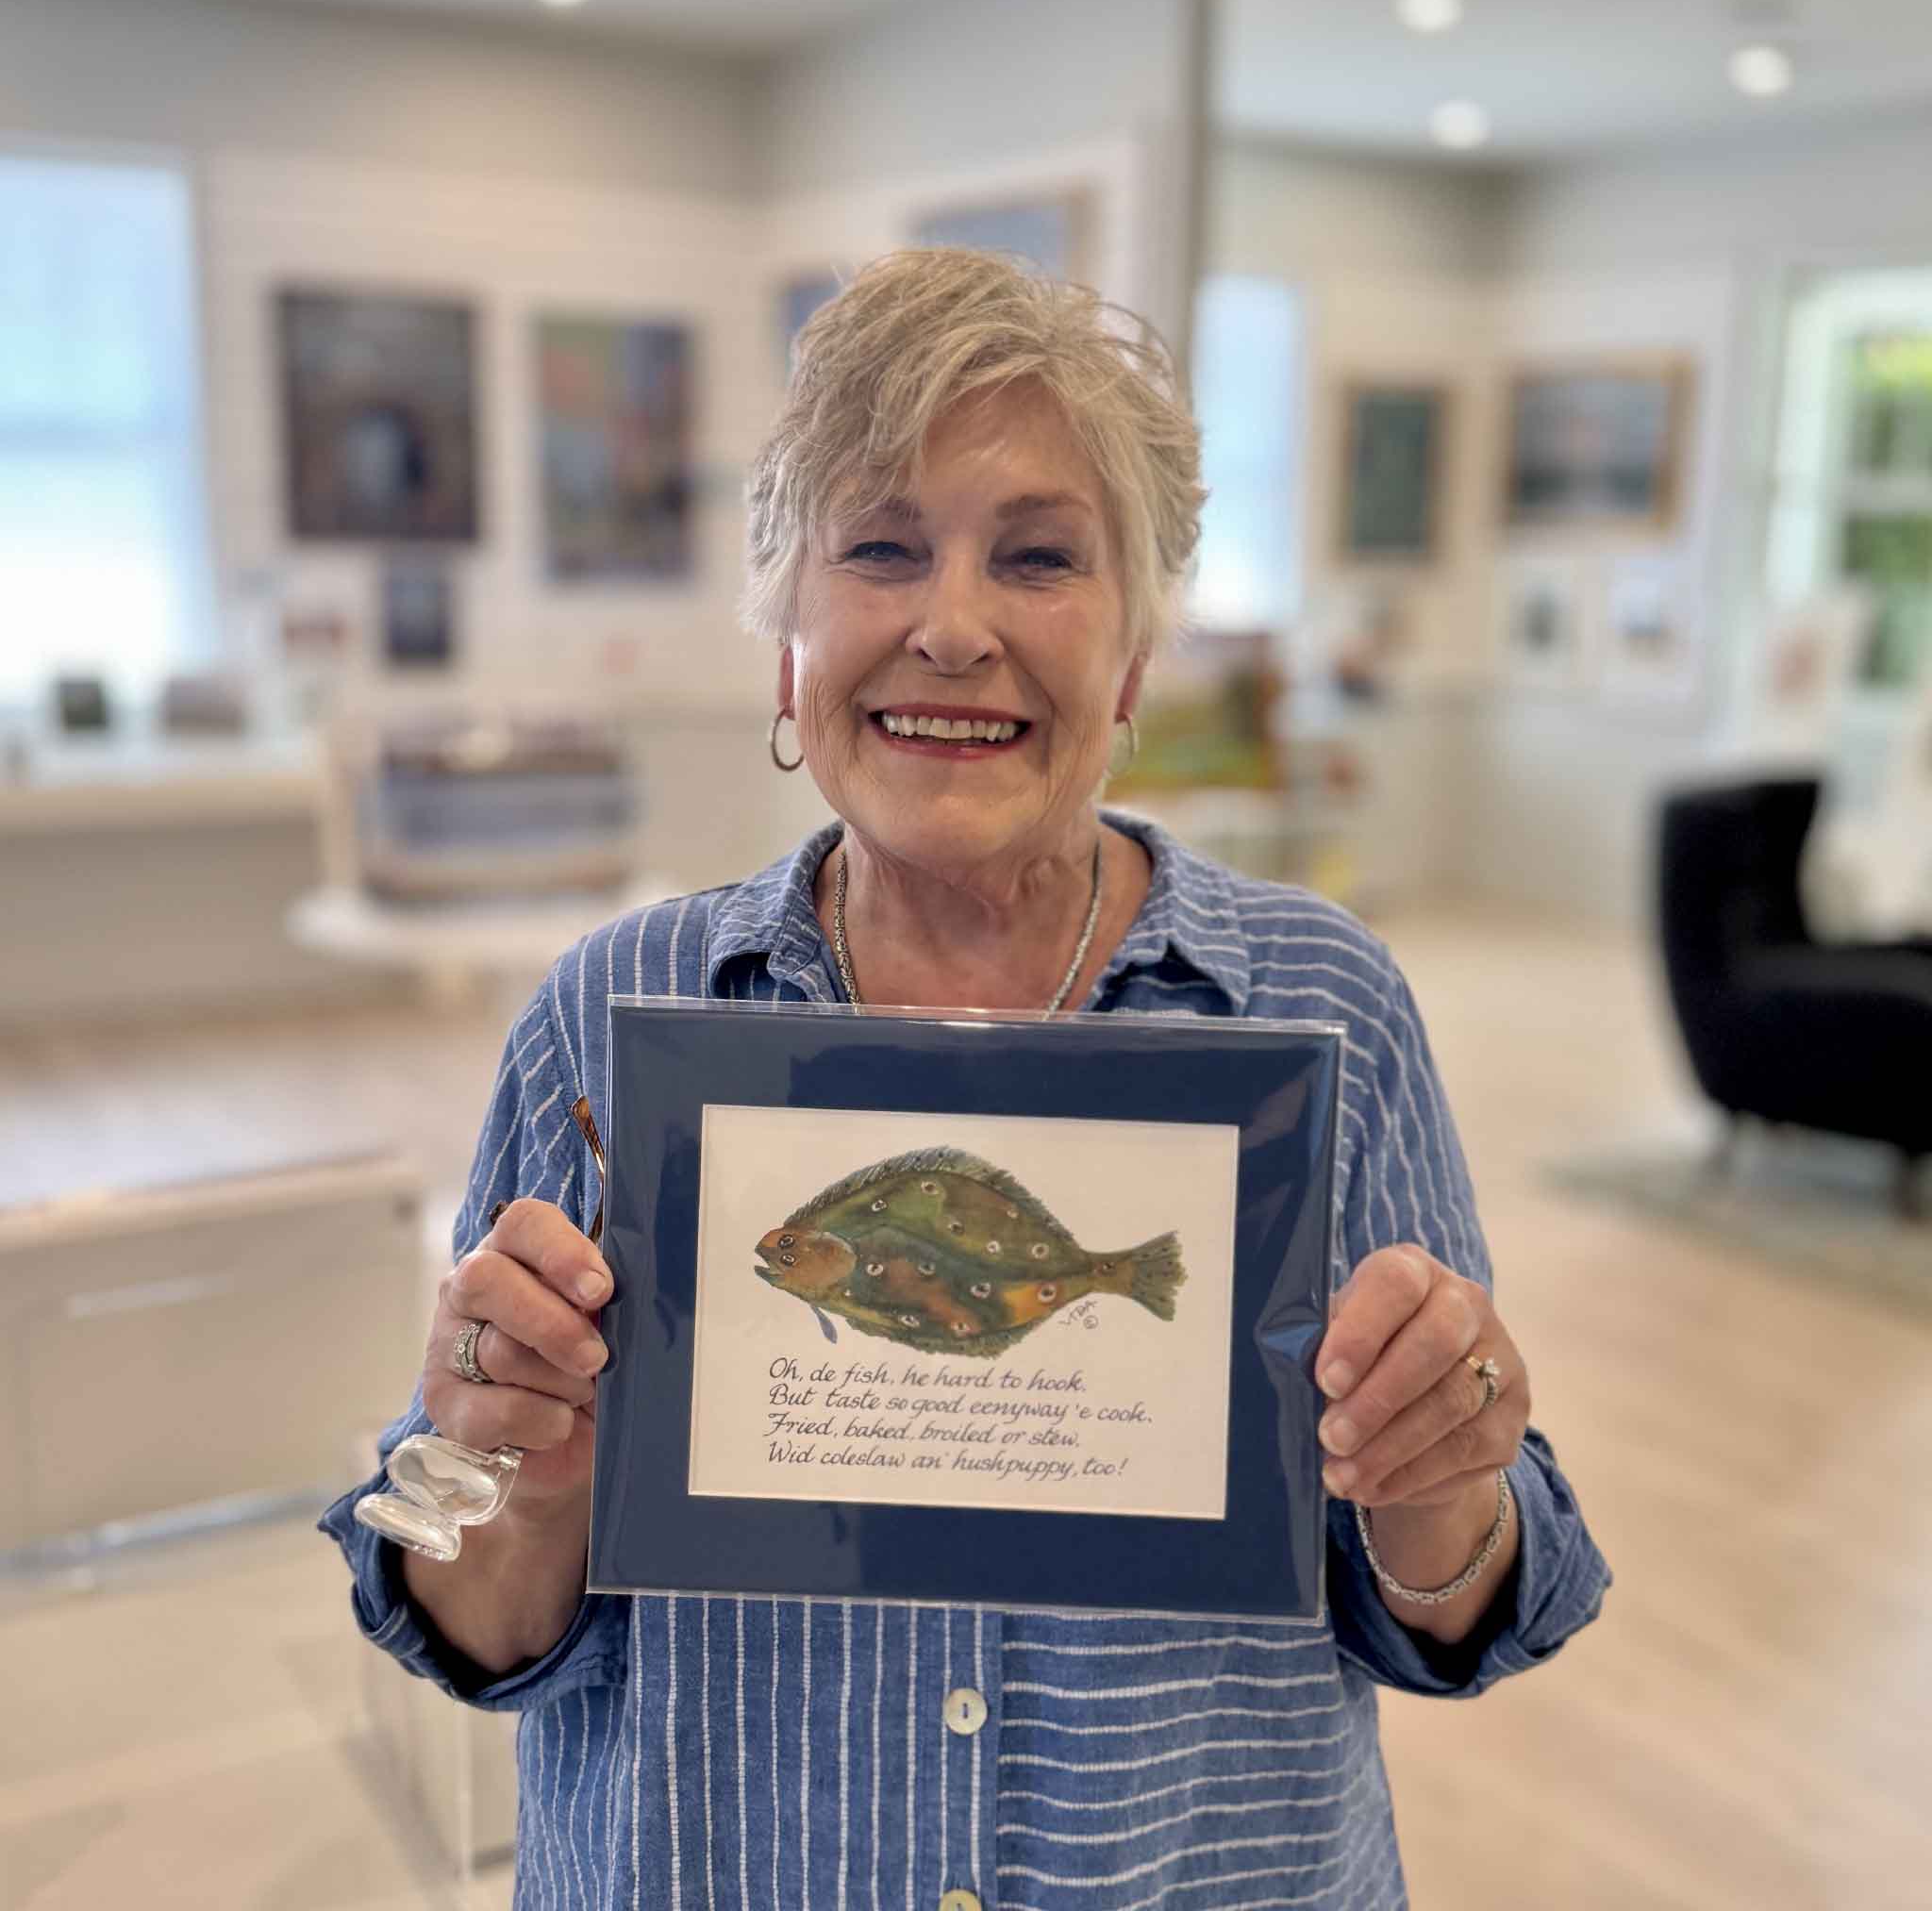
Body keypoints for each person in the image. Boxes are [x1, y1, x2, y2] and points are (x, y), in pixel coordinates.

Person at [323, 247, 1610, 1910]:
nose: (952, 624)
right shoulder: (617, 1016)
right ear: (788, 636)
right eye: (879, 548)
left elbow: (1447, 1606)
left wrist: (1449, 1473)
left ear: (1137, 658)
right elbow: (472, 1620)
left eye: (1040, 557)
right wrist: (494, 1458)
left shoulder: (1320, 1011)